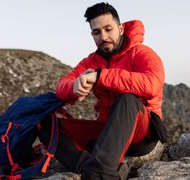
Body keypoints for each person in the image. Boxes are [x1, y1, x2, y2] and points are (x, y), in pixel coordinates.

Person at [39, 2, 165, 180]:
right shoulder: (91, 61)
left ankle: (102, 172)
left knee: (127, 99)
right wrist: (74, 87)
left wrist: (101, 76)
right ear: (92, 35)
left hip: (141, 134)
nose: (103, 36)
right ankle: (91, 166)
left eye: (108, 29)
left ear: (120, 28)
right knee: (45, 124)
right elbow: (62, 86)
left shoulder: (142, 53)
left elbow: (153, 84)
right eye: (97, 32)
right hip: (107, 133)